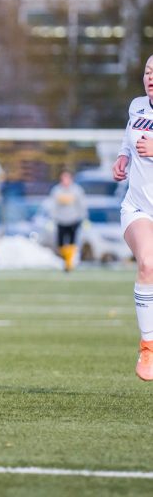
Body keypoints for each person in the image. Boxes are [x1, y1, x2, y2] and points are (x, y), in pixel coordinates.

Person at [114, 53, 153, 381]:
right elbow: (128, 141)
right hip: (139, 207)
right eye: (147, 72)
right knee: (147, 264)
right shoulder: (137, 106)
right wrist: (122, 158)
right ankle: (148, 346)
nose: (150, 77)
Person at [46, 170, 87, 272]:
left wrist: (83, 217)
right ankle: (66, 261)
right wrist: (52, 218)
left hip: (73, 220)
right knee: (60, 244)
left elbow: (82, 205)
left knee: (72, 243)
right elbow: (52, 205)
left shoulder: (77, 190)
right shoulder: (57, 190)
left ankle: (69, 264)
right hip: (60, 221)